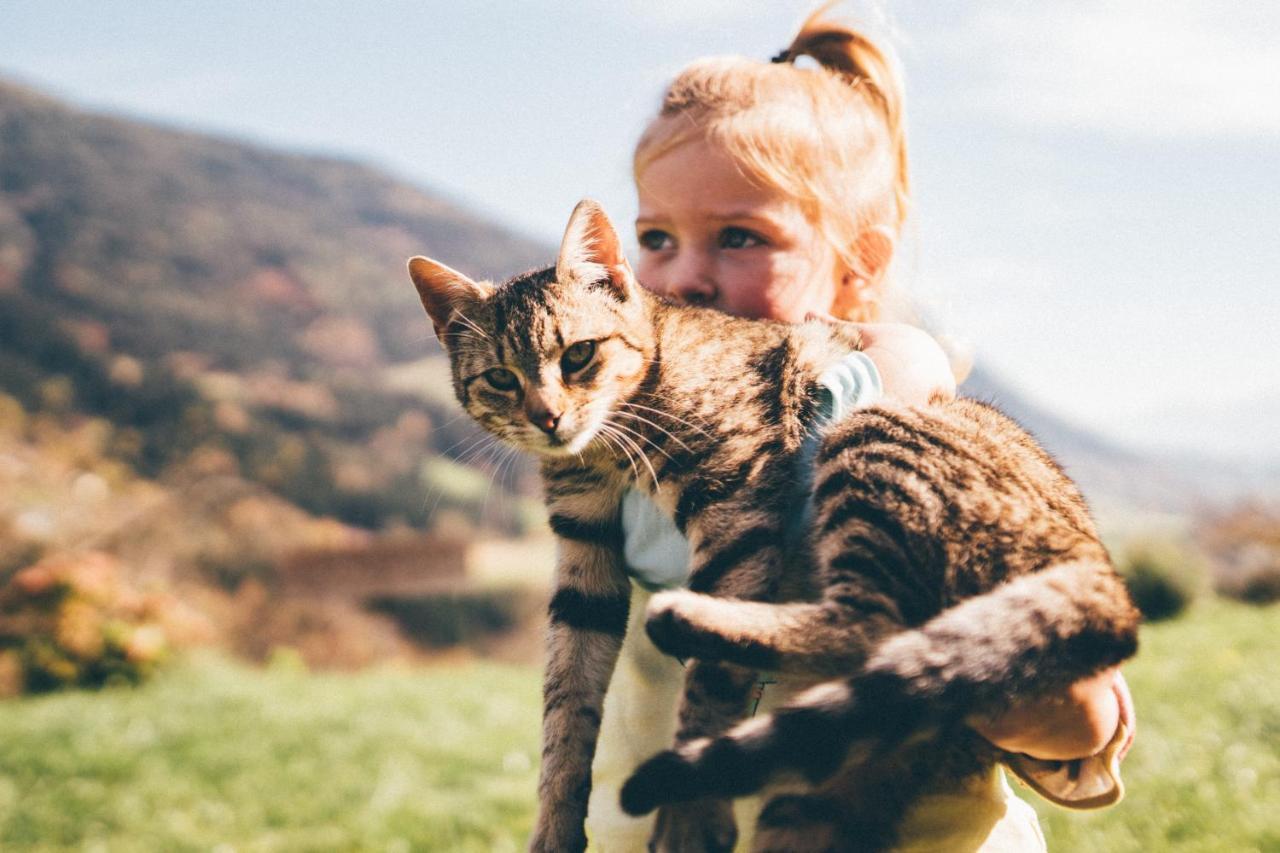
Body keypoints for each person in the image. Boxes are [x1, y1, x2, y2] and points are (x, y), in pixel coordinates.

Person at [585, 7, 1135, 852]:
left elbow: (1073, 720)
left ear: (857, 268)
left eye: (740, 237)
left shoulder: (898, 435)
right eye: (655, 237)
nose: (684, 277)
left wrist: (900, 374)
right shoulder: (636, 429)